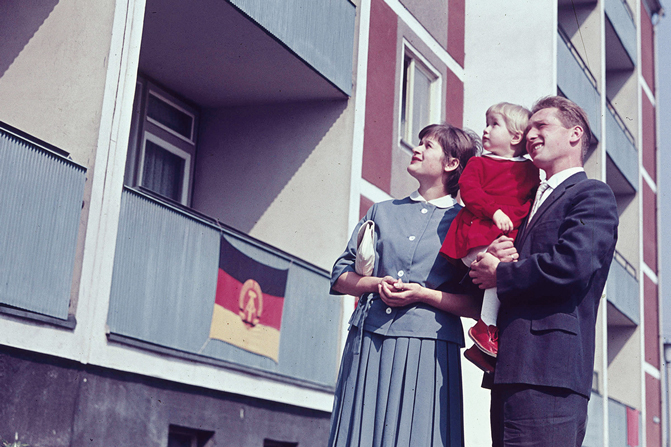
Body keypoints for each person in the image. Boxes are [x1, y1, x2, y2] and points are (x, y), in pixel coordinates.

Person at [469, 96, 619, 447]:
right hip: (508, 370)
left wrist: (502, 275)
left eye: (542, 126)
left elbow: (573, 265)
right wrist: (491, 258)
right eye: (529, 127)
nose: (531, 135)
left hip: (550, 372)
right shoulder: (527, 200)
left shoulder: (591, 194)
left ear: (574, 134)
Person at [328, 123, 482, 447]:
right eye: (419, 142)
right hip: (369, 340)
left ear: (452, 163)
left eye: (428, 145)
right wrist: (372, 284)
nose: (417, 148)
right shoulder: (381, 212)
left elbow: (474, 304)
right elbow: (340, 276)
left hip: (428, 346)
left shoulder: (465, 222)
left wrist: (423, 294)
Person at [439, 103, 539, 365]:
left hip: (500, 241)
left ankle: (484, 345)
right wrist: (494, 211)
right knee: (502, 269)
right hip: (475, 236)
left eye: (494, 124)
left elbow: (529, 202)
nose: (485, 130)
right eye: (487, 123)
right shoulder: (478, 163)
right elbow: (469, 191)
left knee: (510, 275)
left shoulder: (529, 171)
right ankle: (485, 328)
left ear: (516, 137)